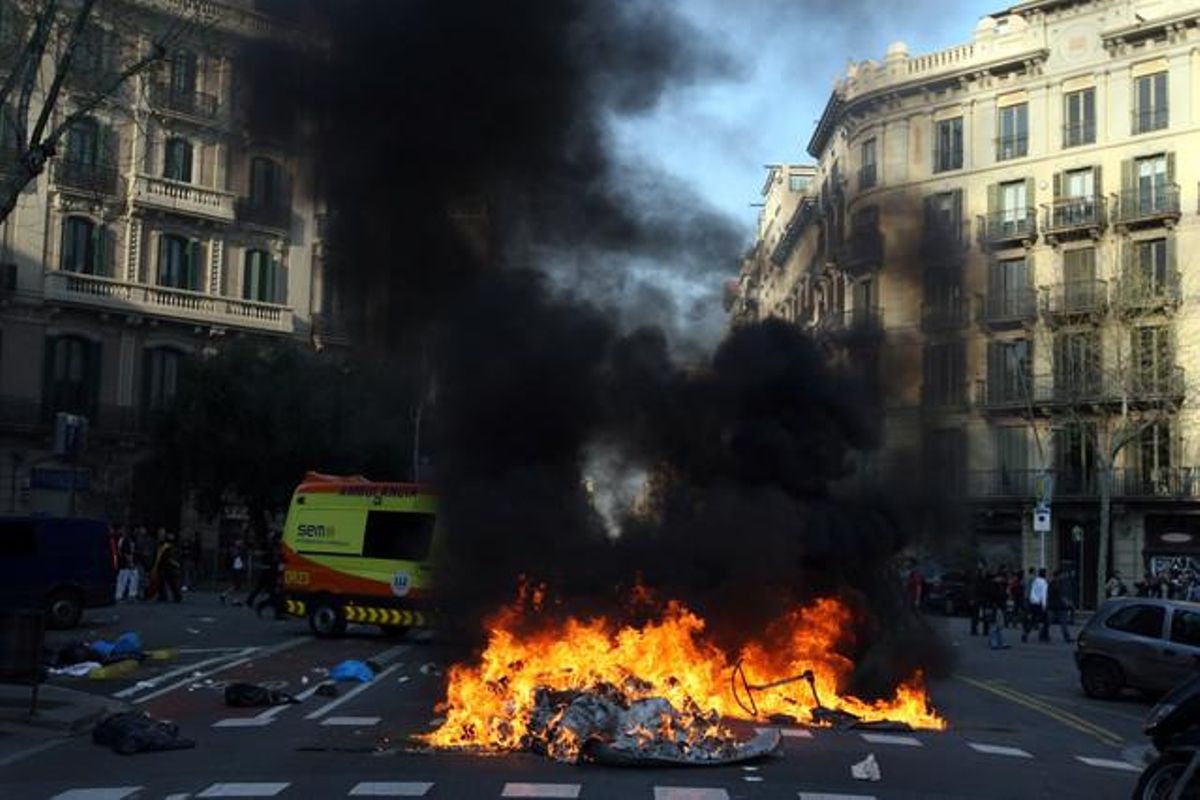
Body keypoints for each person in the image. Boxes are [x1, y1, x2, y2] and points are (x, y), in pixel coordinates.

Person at [153, 530, 183, 603]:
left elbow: (171, 556)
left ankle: (176, 596)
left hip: (168, 566)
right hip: (163, 565)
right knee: (162, 581)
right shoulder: (162, 545)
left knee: (171, 582)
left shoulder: (170, 546)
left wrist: (174, 562)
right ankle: (163, 595)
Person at [1046, 570, 1073, 642]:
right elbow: (1059, 595)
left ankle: (1067, 637)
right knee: (1051, 621)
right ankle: (1066, 637)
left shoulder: (1054, 583)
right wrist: (1065, 602)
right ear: (1058, 576)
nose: (1062, 576)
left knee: (1053, 621)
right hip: (1056, 606)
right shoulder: (1055, 584)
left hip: (1055, 606)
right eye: (1061, 575)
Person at [1023, 567, 1049, 643]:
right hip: (1040, 603)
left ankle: (1026, 633)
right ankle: (1043, 636)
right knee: (1044, 620)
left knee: (1033, 620)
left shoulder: (1035, 581)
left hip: (1033, 602)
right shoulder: (1043, 582)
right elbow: (1044, 595)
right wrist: (1044, 605)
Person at [114, 526, 139, 601]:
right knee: (130, 578)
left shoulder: (120, 540)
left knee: (123, 578)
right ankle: (130, 594)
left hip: (123, 563)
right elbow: (128, 553)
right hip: (126, 563)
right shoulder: (127, 540)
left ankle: (120, 594)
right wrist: (130, 562)